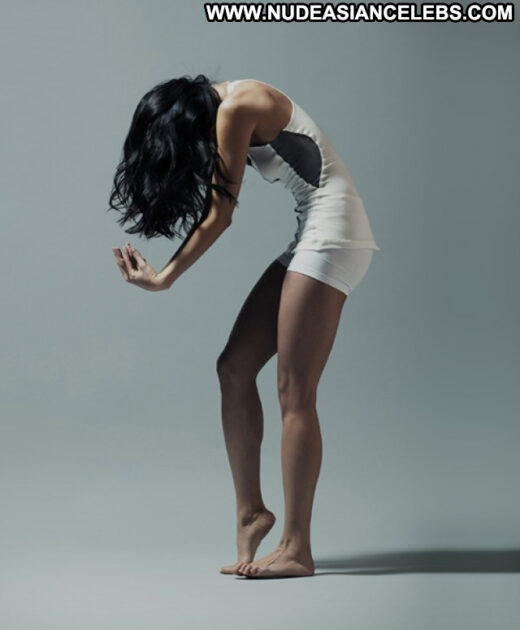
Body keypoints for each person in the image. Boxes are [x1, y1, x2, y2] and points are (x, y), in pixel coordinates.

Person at [109, 73, 380, 579]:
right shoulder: (227, 104)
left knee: (294, 391)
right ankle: (251, 513)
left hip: (335, 235)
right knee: (233, 369)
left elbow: (220, 214)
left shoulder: (237, 108)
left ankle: (296, 548)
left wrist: (164, 278)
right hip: (312, 232)